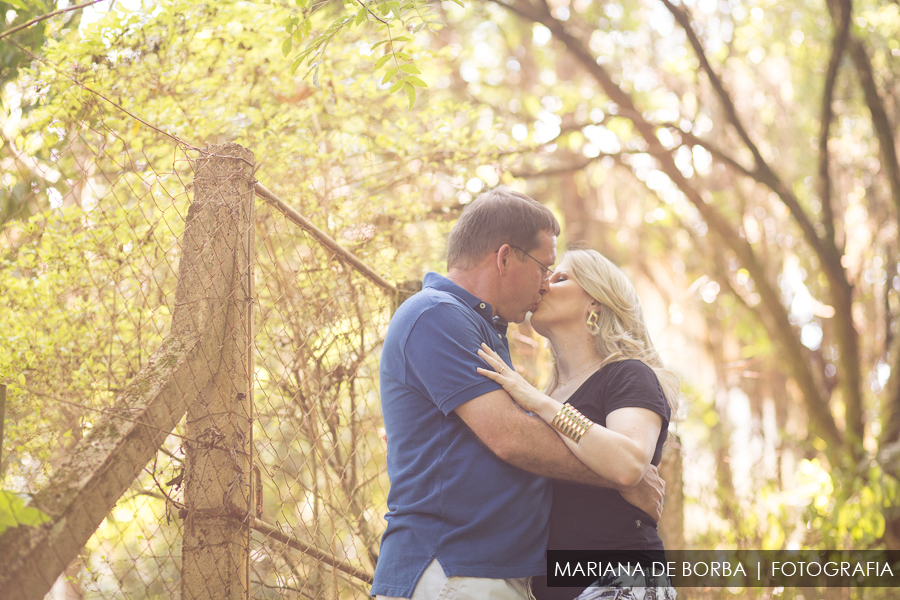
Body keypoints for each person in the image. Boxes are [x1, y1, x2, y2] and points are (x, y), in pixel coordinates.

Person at [371, 187, 665, 600]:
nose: (545, 284)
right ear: (505, 257)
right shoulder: (438, 314)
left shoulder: (484, 331)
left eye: (557, 276)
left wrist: (620, 466)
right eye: (546, 267)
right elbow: (511, 437)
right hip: (453, 569)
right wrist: (619, 479)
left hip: (493, 574)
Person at [476, 248, 679, 600]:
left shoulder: (628, 375)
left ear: (595, 302)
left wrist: (541, 404)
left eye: (560, 278)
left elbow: (629, 464)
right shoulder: (545, 392)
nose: (544, 284)